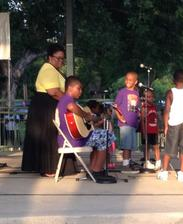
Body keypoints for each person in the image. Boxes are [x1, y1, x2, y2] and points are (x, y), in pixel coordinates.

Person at [56, 76, 116, 179]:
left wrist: (91, 118)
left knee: (99, 137)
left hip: (70, 138)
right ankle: (97, 171)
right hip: (72, 139)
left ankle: (93, 170)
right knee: (106, 136)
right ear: (70, 88)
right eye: (78, 88)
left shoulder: (66, 100)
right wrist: (86, 115)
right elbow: (71, 107)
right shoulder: (67, 99)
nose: (81, 91)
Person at [21, 43, 66, 177]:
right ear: (49, 57)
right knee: (48, 136)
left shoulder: (53, 70)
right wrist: (68, 101)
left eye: (62, 58)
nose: (60, 61)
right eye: (57, 58)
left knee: (50, 136)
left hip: (47, 105)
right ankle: (47, 167)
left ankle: (48, 166)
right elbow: (53, 91)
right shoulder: (48, 69)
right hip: (45, 106)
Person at [157, 69, 183, 182]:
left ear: (173, 80)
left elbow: (166, 110)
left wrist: (165, 126)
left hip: (173, 123)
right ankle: (182, 173)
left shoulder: (170, 92)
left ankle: (164, 172)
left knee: (169, 148)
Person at [114, 71, 140, 173]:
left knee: (130, 146)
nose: (127, 81)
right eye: (126, 79)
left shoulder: (136, 93)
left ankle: (128, 162)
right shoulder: (122, 92)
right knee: (126, 145)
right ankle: (125, 165)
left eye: (130, 80)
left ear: (135, 82)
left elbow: (136, 108)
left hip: (133, 123)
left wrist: (139, 116)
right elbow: (116, 106)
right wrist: (120, 117)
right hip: (125, 123)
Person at [140, 89, 161, 170]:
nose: (150, 98)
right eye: (148, 97)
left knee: (156, 146)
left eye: (151, 97)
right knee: (147, 146)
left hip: (154, 129)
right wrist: (144, 131)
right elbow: (142, 120)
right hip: (147, 130)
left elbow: (156, 118)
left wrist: (158, 129)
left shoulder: (154, 107)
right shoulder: (144, 108)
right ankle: (147, 161)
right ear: (144, 98)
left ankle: (158, 161)